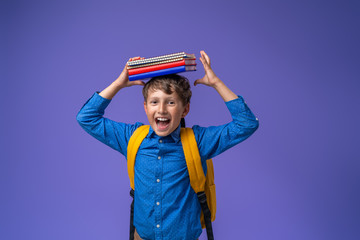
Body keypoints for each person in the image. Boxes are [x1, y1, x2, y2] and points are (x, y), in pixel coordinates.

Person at [76, 51, 259, 240]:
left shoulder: (198, 141)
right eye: (154, 102)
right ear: (146, 107)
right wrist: (118, 84)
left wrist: (217, 84)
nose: (161, 109)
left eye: (171, 102)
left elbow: (246, 124)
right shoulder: (132, 138)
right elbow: (86, 118)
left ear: (185, 110)